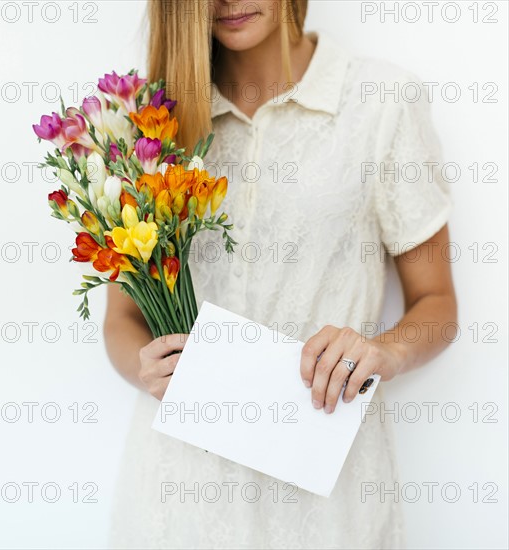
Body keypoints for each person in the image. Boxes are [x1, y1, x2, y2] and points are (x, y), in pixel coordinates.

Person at [105, 1, 457, 548]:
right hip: (183, 493)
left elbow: (437, 304)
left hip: (328, 489)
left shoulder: (381, 103)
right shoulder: (152, 126)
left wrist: (386, 352)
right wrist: (143, 366)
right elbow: (122, 318)